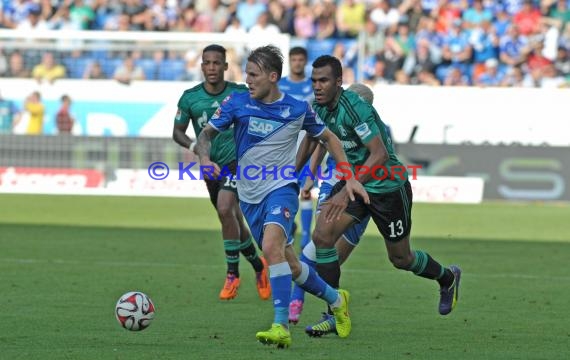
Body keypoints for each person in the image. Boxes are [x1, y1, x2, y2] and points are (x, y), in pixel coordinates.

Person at [195, 45, 368, 348]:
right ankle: (336, 300)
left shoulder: (298, 109)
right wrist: (204, 159)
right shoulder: (237, 104)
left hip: (281, 189)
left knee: (272, 247)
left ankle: (280, 325)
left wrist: (350, 176)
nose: (247, 80)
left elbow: (328, 137)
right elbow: (205, 135)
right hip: (249, 196)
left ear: (273, 77)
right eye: (246, 73)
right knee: (293, 266)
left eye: (254, 74)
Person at [304, 55, 462, 336]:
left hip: (387, 187)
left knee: (401, 259)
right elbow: (313, 138)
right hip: (356, 183)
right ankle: (335, 311)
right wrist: (295, 176)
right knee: (322, 237)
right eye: (314, 80)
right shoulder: (318, 107)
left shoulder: (355, 110)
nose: (317, 86)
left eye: (324, 80)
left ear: (339, 82)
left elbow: (378, 154)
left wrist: (348, 188)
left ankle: (447, 277)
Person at [172, 44, 270, 301]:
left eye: (217, 63)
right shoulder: (190, 98)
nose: (212, 67)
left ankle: (232, 274)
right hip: (209, 166)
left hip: (237, 163)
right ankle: (259, 268)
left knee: (226, 209)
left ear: (226, 66)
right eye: (207, 63)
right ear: (202, 66)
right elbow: (178, 132)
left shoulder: (240, 93)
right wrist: (197, 150)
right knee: (233, 220)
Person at [288, 83, 376, 327]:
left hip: (362, 191)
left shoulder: (371, 125)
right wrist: (309, 177)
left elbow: (380, 154)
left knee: (332, 260)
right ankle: (296, 301)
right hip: (334, 184)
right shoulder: (333, 115)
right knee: (320, 244)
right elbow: (319, 142)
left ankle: (332, 313)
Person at [277, 46, 316, 323]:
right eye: (294, 59)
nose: (298, 63)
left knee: (306, 234)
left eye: (302, 59)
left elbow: (316, 129)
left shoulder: (314, 88)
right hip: (282, 157)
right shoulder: (281, 87)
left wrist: (313, 168)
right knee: (288, 230)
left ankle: (296, 299)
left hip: (306, 157)